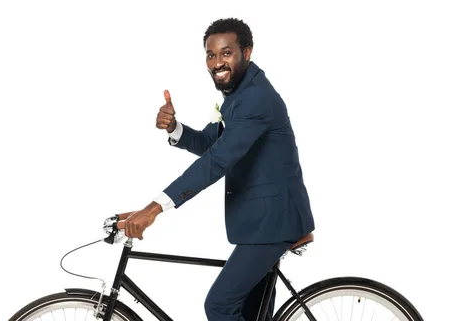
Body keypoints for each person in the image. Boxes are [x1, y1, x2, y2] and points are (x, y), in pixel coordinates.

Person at [116, 18, 315, 321]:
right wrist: (175, 128)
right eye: (211, 55)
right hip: (259, 224)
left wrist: (153, 209)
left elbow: (217, 161)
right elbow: (212, 142)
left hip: (273, 223)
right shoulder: (239, 95)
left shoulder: (256, 99)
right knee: (247, 313)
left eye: (226, 53)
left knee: (219, 306)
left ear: (246, 52)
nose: (217, 62)